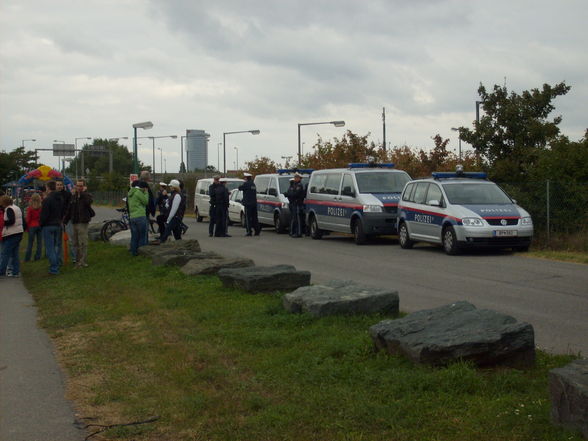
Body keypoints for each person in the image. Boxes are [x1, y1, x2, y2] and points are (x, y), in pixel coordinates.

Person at [64, 179, 94, 268]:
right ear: (75, 186)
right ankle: (77, 261)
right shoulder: (73, 197)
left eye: (81, 186)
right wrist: (65, 220)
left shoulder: (87, 195)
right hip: (74, 222)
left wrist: (83, 193)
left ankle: (83, 261)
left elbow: (88, 202)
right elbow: (69, 209)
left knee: (83, 242)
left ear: (84, 186)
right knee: (75, 243)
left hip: (83, 222)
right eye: (77, 186)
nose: (79, 187)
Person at [40, 181, 64, 275]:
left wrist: (41, 224)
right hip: (57, 224)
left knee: (50, 248)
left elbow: (44, 214)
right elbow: (62, 211)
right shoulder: (60, 198)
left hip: (48, 225)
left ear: (48, 188)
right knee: (56, 246)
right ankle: (57, 264)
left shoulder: (47, 199)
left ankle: (54, 268)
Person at [0, 195, 25, 277]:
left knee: (5, 254)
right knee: (14, 253)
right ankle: (16, 271)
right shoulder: (16, 207)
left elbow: (12, 221)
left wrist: (4, 223)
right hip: (18, 232)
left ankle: (1, 271)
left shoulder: (9, 209)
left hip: (11, 233)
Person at [131, 171, 156, 244]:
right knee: (144, 233)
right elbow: (149, 200)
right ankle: (143, 249)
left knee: (135, 234)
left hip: (133, 212)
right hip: (143, 212)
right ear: (147, 178)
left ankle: (134, 250)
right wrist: (152, 210)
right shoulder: (144, 186)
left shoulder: (134, 185)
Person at [127, 177, 149, 256]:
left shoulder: (130, 193)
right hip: (140, 216)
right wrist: (146, 193)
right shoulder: (138, 192)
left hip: (132, 217)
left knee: (134, 236)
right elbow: (146, 202)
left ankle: (133, 252)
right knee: (142, 236)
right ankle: (142, 253)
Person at [55, 179, 75, 264]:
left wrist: (65, 217)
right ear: (55, 186)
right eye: (57, 185)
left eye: (60, 185)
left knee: (71, 239)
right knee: (58, 241)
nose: (59, 186)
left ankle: (74, 258)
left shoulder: (67, 194)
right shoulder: (53, 195)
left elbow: (70, 207)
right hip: (56, 220)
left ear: (63, 186)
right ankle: (59, 259)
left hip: (67, 220)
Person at [286, 172, 306, 238]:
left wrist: (289, 194)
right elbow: (291, 193)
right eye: (295, 177)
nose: (295, 178)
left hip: (298, 203)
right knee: (294, 218)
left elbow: (295, 194)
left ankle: (298, 233)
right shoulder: (294, 185)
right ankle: (294, 231)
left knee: (297, 219)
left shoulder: (299, 185)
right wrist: (290, 194)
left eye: (296, 177)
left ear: (299, 178)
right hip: (293, 203)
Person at [24, 192, 43, 262]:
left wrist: (27, 227)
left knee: (30, 243)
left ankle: (27, 258)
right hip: (39, 225)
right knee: (39, 243)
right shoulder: (41, 207)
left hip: (32, 226)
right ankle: (38, 257)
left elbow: (28, 219)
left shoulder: (30, 208)